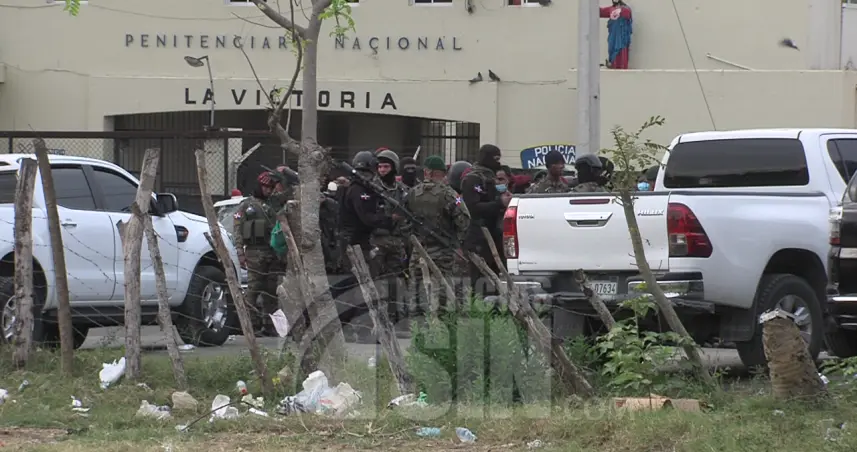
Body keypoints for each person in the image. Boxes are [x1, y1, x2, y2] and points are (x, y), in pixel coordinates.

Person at [404, 155, 471, 312]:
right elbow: (464, 220)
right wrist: (457, 239)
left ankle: (417, 322)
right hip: (443, 251)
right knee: (442, 292)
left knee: (416, 290)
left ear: (426, 172)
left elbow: (403, 220)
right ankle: (441, 322)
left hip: (419, 250)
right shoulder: (450, 194)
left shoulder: (412, 193)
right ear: (442, 173)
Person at [233, 170, 283, 336]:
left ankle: (271, 326)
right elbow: (238, 229)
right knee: (253, 289)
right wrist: (240, 252)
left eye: (271, 188)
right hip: (254, 252)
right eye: (266, 187)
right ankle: (250, 326)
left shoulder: (274, 204)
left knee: (271, 291)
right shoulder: (246, 206)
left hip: (273, 252)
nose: (269, 190)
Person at [461, 144, 510, 296]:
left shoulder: (491, 178)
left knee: (495, 281)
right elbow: (472, 207)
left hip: (494, 235)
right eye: (495, 159)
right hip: (479, 236)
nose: (498, 163)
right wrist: (499, 203)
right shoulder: (473, 179)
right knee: (480, 282)